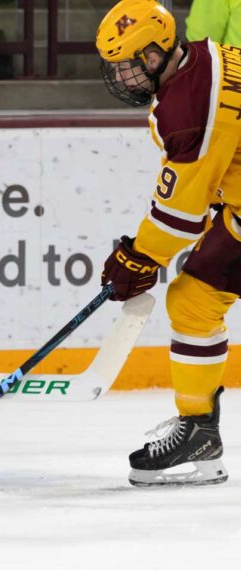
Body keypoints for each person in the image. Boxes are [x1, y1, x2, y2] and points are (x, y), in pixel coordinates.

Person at [96, 0, 239, 487]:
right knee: (194, 299)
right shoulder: (208, 55)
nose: (124, 78)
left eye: (131, 66)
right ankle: (198, 430)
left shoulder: (187, 107)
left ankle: (199, 429)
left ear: (158, 54)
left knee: (195, 300)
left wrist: (135, 257)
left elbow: (180, 217)